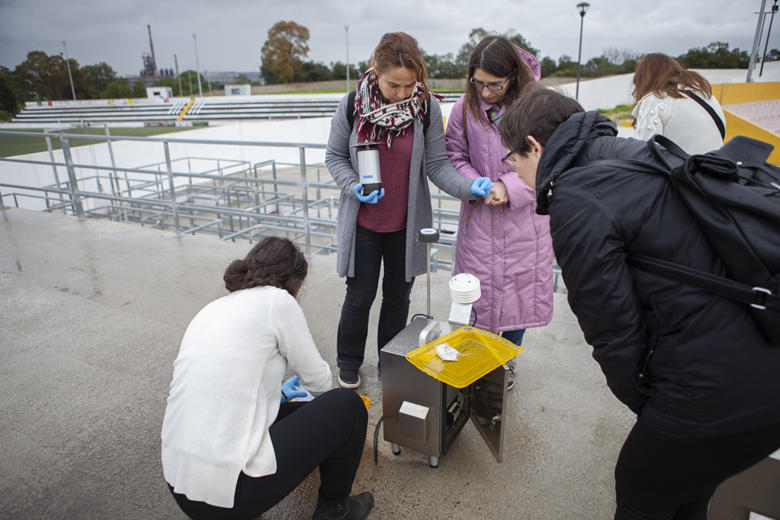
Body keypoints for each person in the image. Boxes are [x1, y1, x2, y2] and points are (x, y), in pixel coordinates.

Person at [498, 86, 780, 520]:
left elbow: (613, 333)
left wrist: (652, 410)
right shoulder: (638, 153)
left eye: (513, 160)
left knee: (640, 489)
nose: (514, 172)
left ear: (534, 146)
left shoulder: (575, 196)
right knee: (688, 492)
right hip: (764, 364)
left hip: (712, 390)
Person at [161, 236, 373, 520]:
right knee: (348, 407)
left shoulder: (212, 308)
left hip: (179, 482)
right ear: (294, 281)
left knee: (300, 411)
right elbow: (320, 383)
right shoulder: (278, 301)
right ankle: (334, 509)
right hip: (228, 496)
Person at [325, 32, 493, 389]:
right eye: (393, 85)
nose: (402, 94)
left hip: (406, 226)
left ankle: (391, 360)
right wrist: (353, 185)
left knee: (398, 299)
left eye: (409, 85)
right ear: (375, 70)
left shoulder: (427, 107)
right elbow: (335, 156)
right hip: (364, 224)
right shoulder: (353, 104)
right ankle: (349, 361)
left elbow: (437, 164)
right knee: (359, 298)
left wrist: (468, 187)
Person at [445, 36, 554, 368]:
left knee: (517, 304)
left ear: (513, 77)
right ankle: (481, 367)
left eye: (495, 85)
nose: (485, 93)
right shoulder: (465, 108)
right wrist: (473, 183)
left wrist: (508, 186)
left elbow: (553, 163)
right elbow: (454, 154)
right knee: (477, 302)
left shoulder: (540, 107)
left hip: (526, 227)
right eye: (478, 83)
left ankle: (505, 364)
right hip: (479, 222)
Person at [632, 52, 726, 154]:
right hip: (719, 167)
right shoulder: (708, 97)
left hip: (683, 169)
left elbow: (644, 155)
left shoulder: (655, 100)